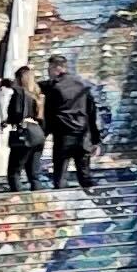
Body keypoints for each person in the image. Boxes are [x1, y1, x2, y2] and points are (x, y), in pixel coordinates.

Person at [44, 60, 103, 191]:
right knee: (84, 174)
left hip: (63, 136)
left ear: (57, 68)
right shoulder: (82, 85)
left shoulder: (54, 88)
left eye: (49, 69)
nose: (48, 72)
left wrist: (44, 133)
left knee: (60, 175)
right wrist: (95, 140)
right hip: (83, 136)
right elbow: (92, 113)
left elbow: (49, 113)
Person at [3, 63, 48, 190]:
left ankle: (17, 200)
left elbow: (17, 113)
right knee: (34, 174)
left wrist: (8, 121)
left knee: (14, 172)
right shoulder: (37, 95)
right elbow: (41, 118)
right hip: (38, 134)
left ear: (19, 78)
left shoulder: (19, 92)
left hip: (25, 134)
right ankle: (38, 200)